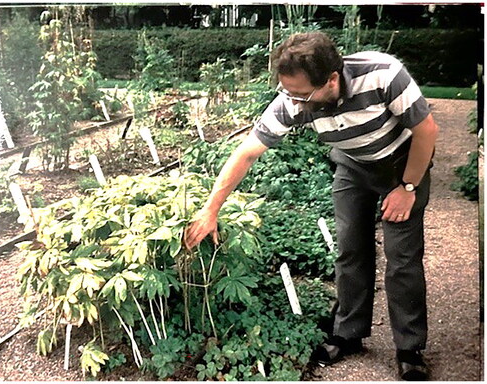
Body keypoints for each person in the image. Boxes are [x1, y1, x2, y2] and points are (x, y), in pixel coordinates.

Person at [183, 31, 438, 381]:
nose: (293, 101)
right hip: (352, 164)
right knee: (350, 250)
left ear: (332, 79)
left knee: (402, 259)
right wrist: (210, 210)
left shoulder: (384, 74)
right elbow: (246, 153)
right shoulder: (293, 100)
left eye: (301, 94)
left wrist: (407, 187)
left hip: (403, 162)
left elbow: (427, 130)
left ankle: (410, 349)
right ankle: (348, 333)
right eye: (287, 91)